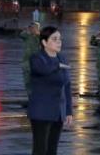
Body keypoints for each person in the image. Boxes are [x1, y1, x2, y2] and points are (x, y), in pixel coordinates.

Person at [28, 26, 73, 155]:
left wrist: (69, 111)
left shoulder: (62, 58)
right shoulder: (37, 58)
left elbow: (67, 85)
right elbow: (43, 70)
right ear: (44, 42)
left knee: (52, 150)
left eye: (60, 39)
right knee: (40, 149)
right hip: (41, 112)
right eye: (54, 39)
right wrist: (57, 65)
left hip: (58, 112)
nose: (59, 42)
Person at [19, 21, 42, 102]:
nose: (32, 29)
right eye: (31, 27)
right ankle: (31, 98)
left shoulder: (39, 37)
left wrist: (37, 33)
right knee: (27, 82)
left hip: (36, 64)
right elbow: (21, 34)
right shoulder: (27, 36)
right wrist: (27, 29)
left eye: (34, 27)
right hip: (26, 63)